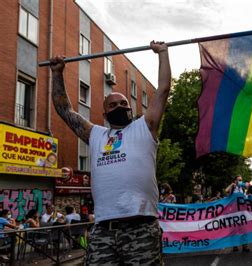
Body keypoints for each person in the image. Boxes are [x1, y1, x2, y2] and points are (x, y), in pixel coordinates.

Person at [49, 40, 170, 265]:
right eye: (112, 105)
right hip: (103, 231)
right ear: (104, 115)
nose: (119, 107)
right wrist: (57, 73)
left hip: (141, 228)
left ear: (131, 108)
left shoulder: (145, 127)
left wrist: (162, 53)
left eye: (123, 103)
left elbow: (163, 90)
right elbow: (64, 109)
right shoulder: (96, 135)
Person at [225, 175, 250, 252]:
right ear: (235, 180)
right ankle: (235, 246)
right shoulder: (233, 188)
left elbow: (245, 197)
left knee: (244, 229)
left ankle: (244, 246)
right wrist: (232, 184)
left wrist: (248, 194)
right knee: (234, 229)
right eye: (239, 180)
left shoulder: (242, 189)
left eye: (241, 180)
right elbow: (226, 191)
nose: (240, 181)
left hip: (242, 212)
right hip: (233, 212)